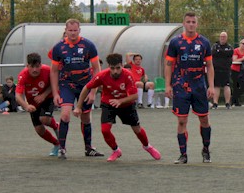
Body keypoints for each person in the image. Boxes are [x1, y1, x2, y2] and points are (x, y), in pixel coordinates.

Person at [75, 53, 162, 162]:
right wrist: (78, 106)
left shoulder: (128, 75)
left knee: (137, 129)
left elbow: (134, 96)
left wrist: (120, 101)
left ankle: (147, 146)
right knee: (105, 130)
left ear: (122, 65)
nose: (115, 71)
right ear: (108, 66)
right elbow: (86, 88)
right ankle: (116, 150)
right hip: (109, 104)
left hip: (126, 104)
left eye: (118, 68)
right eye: (112, 68)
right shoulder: (102, 75)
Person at [165, 11, 215, 164]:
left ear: (197, 24)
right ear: (183, 23)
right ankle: (183, 154)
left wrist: (211, 86)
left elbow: (210, 66)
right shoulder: (175, 42)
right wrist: (168, 85)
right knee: (181, 121)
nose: (191, 24)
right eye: (188, 22)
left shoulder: (204, 43)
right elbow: (168, 65)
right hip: (180, 85)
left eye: (193, 22)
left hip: (199, 86)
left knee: (204, 119)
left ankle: (206, 150)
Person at [50, 18, 103, 159]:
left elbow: (97, 68)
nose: (72, 33)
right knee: (65, 114)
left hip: (85, 86)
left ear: (79, 30)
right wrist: (55, 93)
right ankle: (62, 148)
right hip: (66, 85)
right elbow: (54, 71)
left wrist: (93, 91)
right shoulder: (58, 48)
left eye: (75, 30)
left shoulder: (88, 45)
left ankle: (88, 148)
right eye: (70, 30)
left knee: (85, 117)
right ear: (65, 31)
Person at [15, 52, 62, 156]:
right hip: (33, 102)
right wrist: (26, 106)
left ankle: (55, 125)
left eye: (37, 66)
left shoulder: (47, 70)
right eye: (32, 67)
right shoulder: (22, 76)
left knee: (45, 119)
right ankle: (56, 143)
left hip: (48, 97)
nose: (35, 70)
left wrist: (44, 95)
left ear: (41, 65)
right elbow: (18, 96)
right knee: (39, 130)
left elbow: (56, 84)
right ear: (27, 66)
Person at [211, 31, 233, 109]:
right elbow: (213, 53)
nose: (222, 38)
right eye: (221, 36)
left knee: (226, 86)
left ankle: (227, 103)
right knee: (216, 86)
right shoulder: (215, 46)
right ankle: (215, 103)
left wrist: (220, 52)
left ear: (226, 38)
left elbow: (229, 53)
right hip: (216, 69)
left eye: (224, 36)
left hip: (226, 70)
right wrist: (222, 53)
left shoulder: (229, 47)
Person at [230, 38, 244, 107]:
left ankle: (233, 99)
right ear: (240, 44)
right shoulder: (235, 50)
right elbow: (235, 60)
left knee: (243, 86)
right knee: (235, 86)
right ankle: (235, 101)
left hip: (242, 71)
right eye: (243, 43)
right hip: (235, 70)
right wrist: (242, 58)